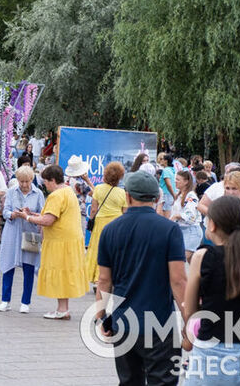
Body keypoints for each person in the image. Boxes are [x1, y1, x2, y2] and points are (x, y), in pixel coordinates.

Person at [95, 170, 187, 386]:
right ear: (156, 198)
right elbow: (178, 281)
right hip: (160, 324)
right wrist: (189, 319)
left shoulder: (110, 230)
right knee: (163, 381)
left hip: (124, 323)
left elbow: (104, 280)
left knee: (129, 381)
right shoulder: (170, 230)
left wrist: (101, 317)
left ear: (127, 196)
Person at [182, 196, 240, 386]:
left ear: (212, 225)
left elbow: (190, 310)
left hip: (209, 351)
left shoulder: (203, 256)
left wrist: (189, 333)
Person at [23, 165, 88, 319]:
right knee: (64, 274)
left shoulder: (56, 195)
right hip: (69, 240)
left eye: (45, 181)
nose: (44, 184)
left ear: (52, 180)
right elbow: (54, 215)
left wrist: (26, 217)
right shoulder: (68, 191)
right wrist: (35, 214)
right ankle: (63, 308)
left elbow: (48, 220)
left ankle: (62, 309)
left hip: (60, 242)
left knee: (59, 273)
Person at [0, 166, 44, 314]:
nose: (24, 184)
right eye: (21, 181)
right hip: (12, 231)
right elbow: (5, 211)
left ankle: (25, 302)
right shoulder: (11, 192)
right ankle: (5, 300)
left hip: (30, 233)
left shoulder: (38, 193)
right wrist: (13, 214)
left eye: (27, 181)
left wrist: (30, 215)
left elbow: (42, 214)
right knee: (8, 266)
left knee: (29, 267)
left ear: (32, 179)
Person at [84, 162, 126, 286]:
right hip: (117, 224)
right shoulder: (122, 193)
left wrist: (90, 224)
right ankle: (113, 277)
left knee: (98, 249)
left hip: (101, 223)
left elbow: (93, 210)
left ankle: (98, 278)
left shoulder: (98, 189)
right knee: (114, 251)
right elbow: (125, 212)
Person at [171, 170, 202, 263]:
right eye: (175, 179)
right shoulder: (179, 195)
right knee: (191, 262)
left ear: (186, 181)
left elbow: (191, 215)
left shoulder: (191, 195)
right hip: (181, 230)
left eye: (178, 180)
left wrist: (176, 216)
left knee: (179, 260)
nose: (175, 181)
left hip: (191, 231)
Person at [65, 155, 94, 232]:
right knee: (80, 237)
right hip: (79, 213)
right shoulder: (80, 183)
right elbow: (94, 194)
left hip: (67, 212)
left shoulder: (66, 180)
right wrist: (87, 180)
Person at [157, 152, 176, 218]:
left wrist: (174, 196)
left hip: (166, 194)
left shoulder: (165, 170)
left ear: (166, 161)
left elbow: (168, 184)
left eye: (162, 159)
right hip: (171, 193)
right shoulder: (173, 170)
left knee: (165, 215)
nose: (160, 161)